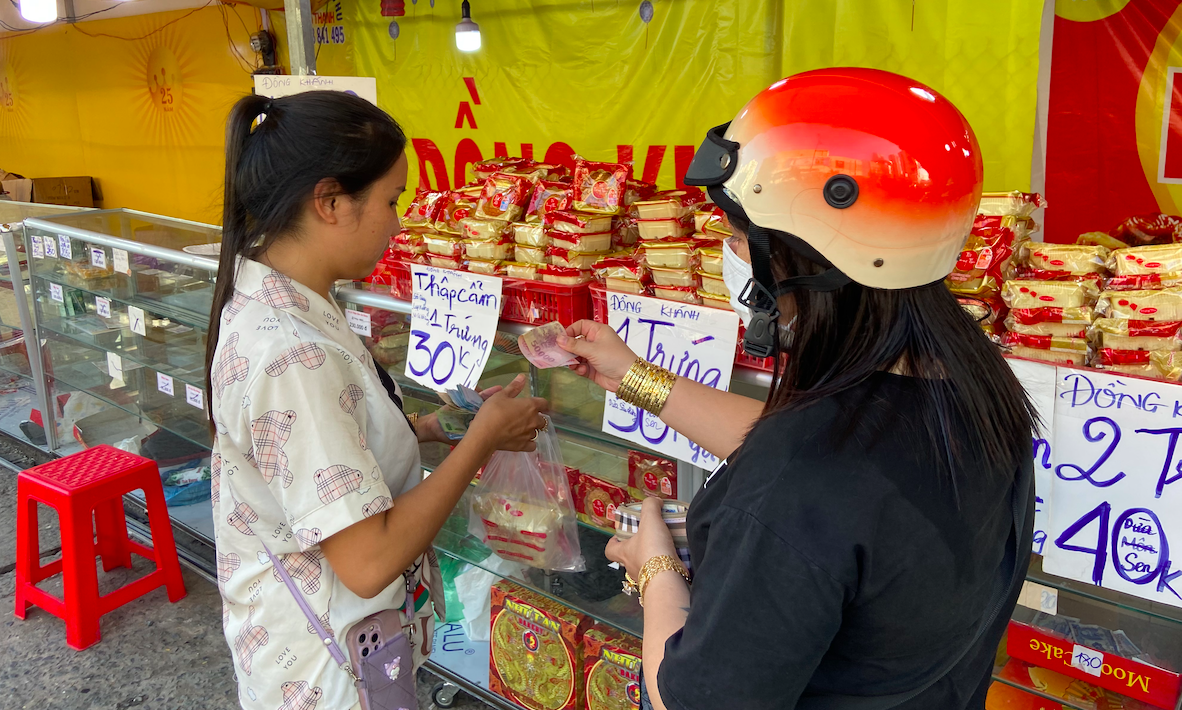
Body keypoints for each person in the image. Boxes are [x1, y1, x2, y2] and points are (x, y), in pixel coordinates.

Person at [559, 68, 1037, 710]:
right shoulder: (977, 384)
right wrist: (633, 378)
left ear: (806, 258)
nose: (730, 253)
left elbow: (690, 700)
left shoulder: (800, 482)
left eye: (739, 237)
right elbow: (828, 465)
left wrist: (655, 569)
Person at [205, 91, 548, 710]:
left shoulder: (283, 296)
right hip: (327, 668)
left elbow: (314, 447)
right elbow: (368, 561)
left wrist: (425, 427)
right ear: (330, 201)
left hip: (308, 639)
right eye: (391, 201)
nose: (398, 223)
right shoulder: (290, 354)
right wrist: (481, 439)